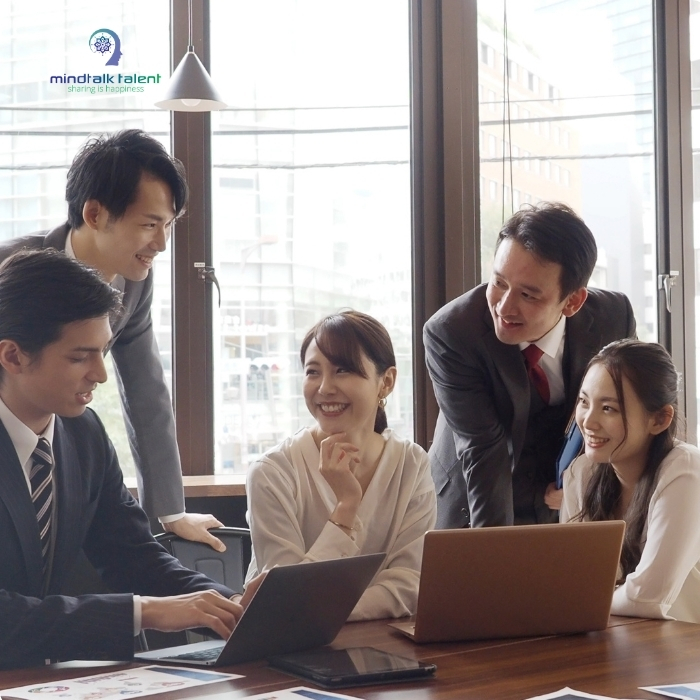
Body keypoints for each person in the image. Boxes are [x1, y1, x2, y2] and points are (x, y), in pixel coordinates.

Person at [0, 249, 259, 669]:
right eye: (79, 356)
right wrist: (144, 612)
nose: (101, 373)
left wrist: (235, 607)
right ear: (12, 356)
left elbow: (133, 555)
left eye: (103, 351)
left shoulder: (83, 434)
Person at [0, 129, 224, 550]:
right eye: (149, 224)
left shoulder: (135, 281)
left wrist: (170, 512)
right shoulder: (10, 270)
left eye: (169, 225)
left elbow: (145, 389)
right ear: (95, 214)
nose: (161, 244)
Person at [424, 202, 636, 529]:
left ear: (572, 301)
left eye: (528, 295)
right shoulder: (453, 333)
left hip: (568, 499)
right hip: (475, 497)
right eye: (499, 282)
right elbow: (484, 451)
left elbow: (628, 414)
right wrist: (492, 548)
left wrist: (585, 481)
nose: (504, 307)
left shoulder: (613, 318)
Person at [245, 311, 437, 621]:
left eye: (343, 370)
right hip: (286, 645)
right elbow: (286, 602)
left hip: (381, 641)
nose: (324, 388)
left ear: (386, 382)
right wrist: (346, 508)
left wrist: (328, 608)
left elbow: (411, 583)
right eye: (313, 372)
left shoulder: (411, 464)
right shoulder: (271, 472)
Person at [560, 339, 700, 623]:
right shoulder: (581, 473)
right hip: (621, 636)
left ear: (659, 420)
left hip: (685, 642)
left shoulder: (685, 470)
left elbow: (647, 597)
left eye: (609, 408)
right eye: (584, 402)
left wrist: (584, 600)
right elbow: (571, 580)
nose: (588, 421)